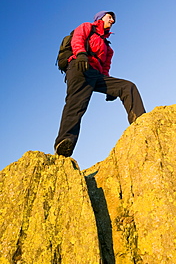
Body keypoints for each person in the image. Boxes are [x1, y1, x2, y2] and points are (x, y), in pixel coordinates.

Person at [54, 11, 146, 157]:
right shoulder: (87, 27)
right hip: (80, 67)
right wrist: (81, 54)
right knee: (76, 105)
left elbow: (105, 67)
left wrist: (110, 89)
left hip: (96, 75)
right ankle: (64, 143)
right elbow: (77, 39)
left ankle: (142, 123)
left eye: (113, 18)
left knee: (127, 87)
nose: (112, 20)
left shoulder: (108, 47)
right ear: (100, 18)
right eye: (110, 17)